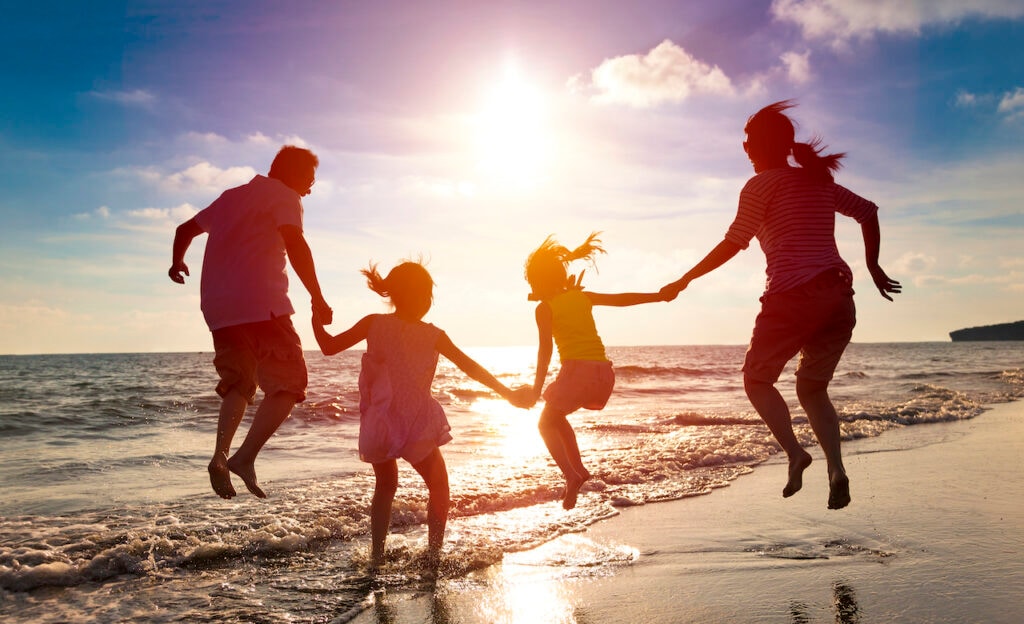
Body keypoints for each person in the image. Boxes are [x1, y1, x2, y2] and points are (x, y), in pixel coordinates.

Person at [660, 101, 901, 510]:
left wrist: (686, 278)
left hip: (793, 297)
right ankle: (836, 470)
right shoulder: (816, 181)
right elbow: (868, 212)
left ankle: (795, 453)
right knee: (812, 387)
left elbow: (734, 242)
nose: (745, 147)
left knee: (757, 379)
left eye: (750, 141)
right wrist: (873, 266)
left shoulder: (761, 185)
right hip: (840, 298)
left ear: (765, 145)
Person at [312, 260, 533, 568]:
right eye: (427, 294)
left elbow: (328, 346)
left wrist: (315, 319)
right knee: (439, 484)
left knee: (386, 486)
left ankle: (376, 557)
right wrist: (507, 393)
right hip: (416, 423)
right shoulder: (433, 334)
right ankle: (433, 555)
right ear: (421, 297)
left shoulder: (373, 323)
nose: (429, 300)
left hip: (380, 424)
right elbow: (470, 367)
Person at [169, 145, 333, 500]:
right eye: (309, 178)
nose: (310, 187)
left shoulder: (231, 197)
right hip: (263, 304)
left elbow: (184, 230)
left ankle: (220, 455)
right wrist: (317, 297)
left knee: (239, 383)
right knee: (290, 384)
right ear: (291, 172)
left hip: (219, 310)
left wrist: (176, 263)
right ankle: (244, 458)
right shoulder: (285, 195)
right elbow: (296, 242)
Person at [524, 233, 670, 510]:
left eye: (532, 282)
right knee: (556, 417)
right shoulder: (582, 297)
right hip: (603, 375)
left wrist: (534, 389)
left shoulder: (545, 309)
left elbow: (545, 353)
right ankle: (578, 471)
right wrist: (658, 296)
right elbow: (622, 300)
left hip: (577, 373)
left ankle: (571, 474)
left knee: (544, 424)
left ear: (540, 283)